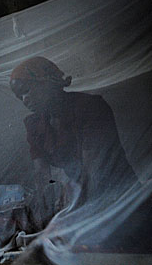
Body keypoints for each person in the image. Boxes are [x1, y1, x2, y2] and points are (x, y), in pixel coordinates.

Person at [9, 56, 137, 204]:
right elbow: (42, 174)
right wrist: (46, 204)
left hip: (120, 194)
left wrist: (74, 202)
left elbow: (92, 168)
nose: (24, 100)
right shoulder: (35, 124)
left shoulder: (89, 107)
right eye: (19, 97)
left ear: (46, 82)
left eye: (26, 90)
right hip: (83, 194)